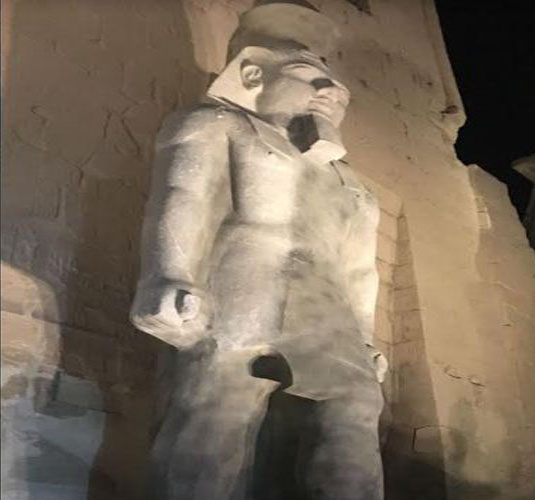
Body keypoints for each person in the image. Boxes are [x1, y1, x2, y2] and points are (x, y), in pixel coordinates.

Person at [130, 3, 386, 499]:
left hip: (328, 311)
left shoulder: (351, 185)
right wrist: (168, 273)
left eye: (336, 87)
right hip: (244, 288)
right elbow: (183, 196)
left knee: (355, 406)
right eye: (308, 75)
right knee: (219, 411)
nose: (329, 93)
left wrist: (366, 337)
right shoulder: (217, 125)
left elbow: (359, 268)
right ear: (252, 74)